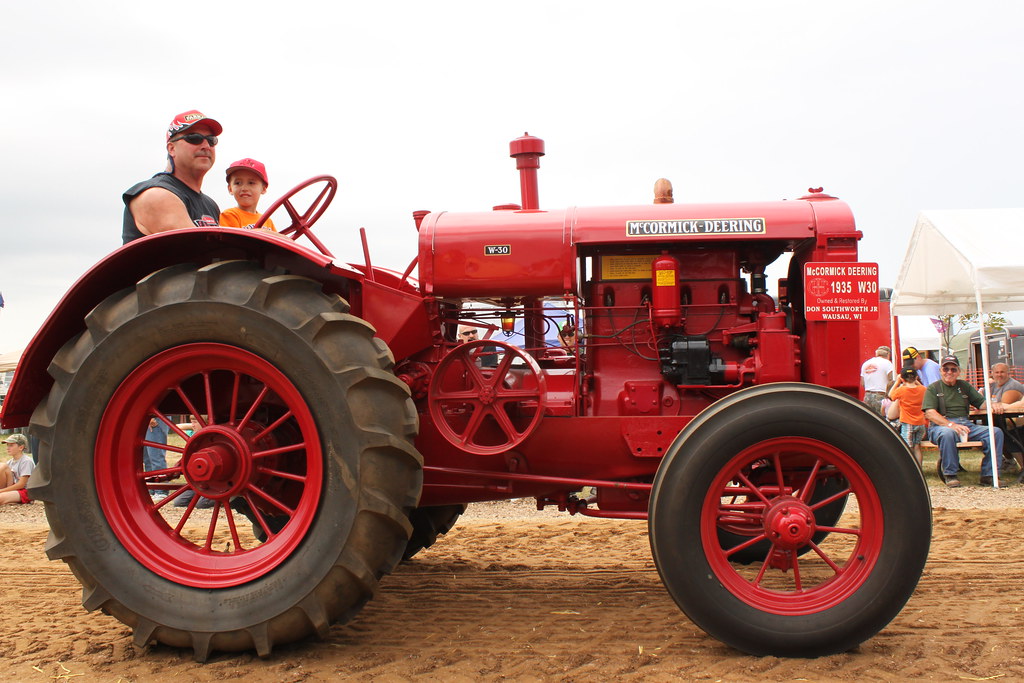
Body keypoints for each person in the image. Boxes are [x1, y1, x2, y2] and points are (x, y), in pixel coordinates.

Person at [122, 110, 223, 244]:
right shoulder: (156, 195)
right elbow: (197, 248)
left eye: (211, 140)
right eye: (194, 138)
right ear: (171, 149)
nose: (206, 146)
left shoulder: (210, 205)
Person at [923, 355, 1004, 488]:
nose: (949, 372)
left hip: (966, 424)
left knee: (995, 432)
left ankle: (990, 475)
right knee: (947, 434)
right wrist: (951, 425)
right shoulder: (933, 388)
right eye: (946, 369)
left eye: (953, 369)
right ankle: (950, 475)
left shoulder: (965, 386)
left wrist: (994, 405)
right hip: (941, 425)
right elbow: (930, 413)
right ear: (940, 371)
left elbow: (981, 403)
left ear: (959, 371)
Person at [219, 158, 277, 231]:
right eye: (238, 183)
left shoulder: (267, 222)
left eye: (251, 183)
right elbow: (233, 240)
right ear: (230, 189)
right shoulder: (229, 215)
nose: (244, 188)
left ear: (264, 189)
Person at [889, 367, 928, 467]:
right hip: (921, 423)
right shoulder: (922, 389)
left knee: (908, 447)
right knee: (917, 446)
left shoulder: (901, 390)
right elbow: (926, 390)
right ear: (916, 377)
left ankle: (910, 468)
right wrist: (917, 382)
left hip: (908, 423)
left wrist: (897, 382)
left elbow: (890, 395)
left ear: (903, 378)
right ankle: (919, 468)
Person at [988, 363, 1024, 470]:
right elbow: (981, 399)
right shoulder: (992, 386)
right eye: (997, 372)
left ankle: (1020, 466)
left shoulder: (1012, 386)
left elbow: (1003, 406)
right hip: (1002, 420)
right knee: (990, 430)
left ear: (1009, 373)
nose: (999, 375)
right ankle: (1009, 460)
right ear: (992, 374)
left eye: (1002, 372)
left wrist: (990, 403)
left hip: (1015, 421)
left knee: (1005, 431)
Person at [0, 433, 35, 505]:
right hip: (14, 488)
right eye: (7, 445)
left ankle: (17, 500)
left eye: (11, 445)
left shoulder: (26, 461)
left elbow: (21, 484)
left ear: (21, 447)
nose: (8, 448)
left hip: (26, 491)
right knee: (2, 466)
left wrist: (2, 491)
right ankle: (10, 500)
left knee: (3, 466)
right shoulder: (10, 462)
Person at [860, 346, 894, 415]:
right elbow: (891, 380)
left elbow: (862, 383)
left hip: (867, 396)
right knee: (882, 420)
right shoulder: (887, 363)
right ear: (888, 355)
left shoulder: (866, 364)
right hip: (881, 396)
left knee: (869, 419)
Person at [144, 416, 169, 499]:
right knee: (148, 458)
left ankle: (161, 490)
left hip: (156, 418)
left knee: (156, 455)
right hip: (146, 418)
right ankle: (152, 488)